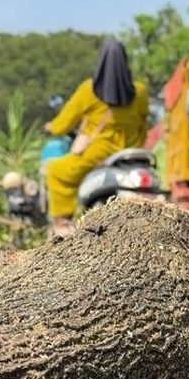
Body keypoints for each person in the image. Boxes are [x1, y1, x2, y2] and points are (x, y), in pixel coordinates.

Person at [44, 40, 150, 236]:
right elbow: (144, 123)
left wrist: (52, 127)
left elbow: (65, 121)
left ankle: (62, 222)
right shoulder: (140, 92)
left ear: (100, 63)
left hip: (100, 152)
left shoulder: (89, 90)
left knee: (56, 172)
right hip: (133, 152)